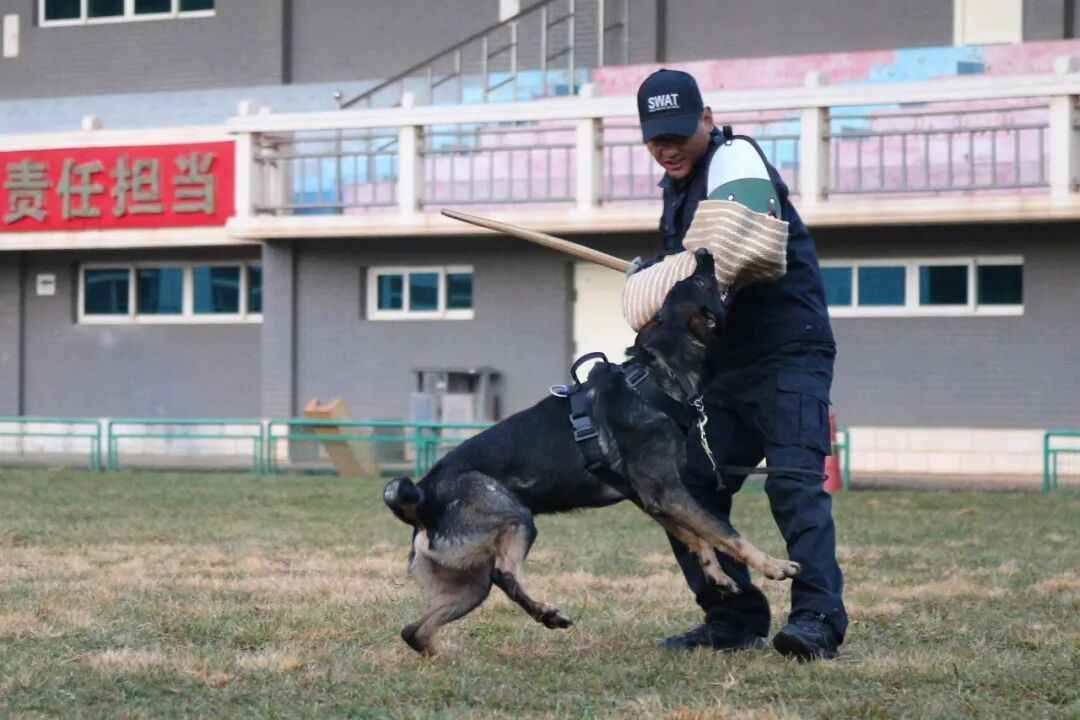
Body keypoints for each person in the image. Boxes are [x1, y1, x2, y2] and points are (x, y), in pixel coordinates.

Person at [634, 68, 847, 660]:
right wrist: (652, 275)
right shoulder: (676, 191)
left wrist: (663, 281)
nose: (668, 147)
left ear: (706, 118)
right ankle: (733, 617)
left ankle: (819, 620)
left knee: (794, 487)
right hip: (725, 370)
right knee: (687, 487)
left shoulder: (738, 164)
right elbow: (691, 280)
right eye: (656, 137)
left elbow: (730, 254)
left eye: (679, 132)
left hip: (788, 354)